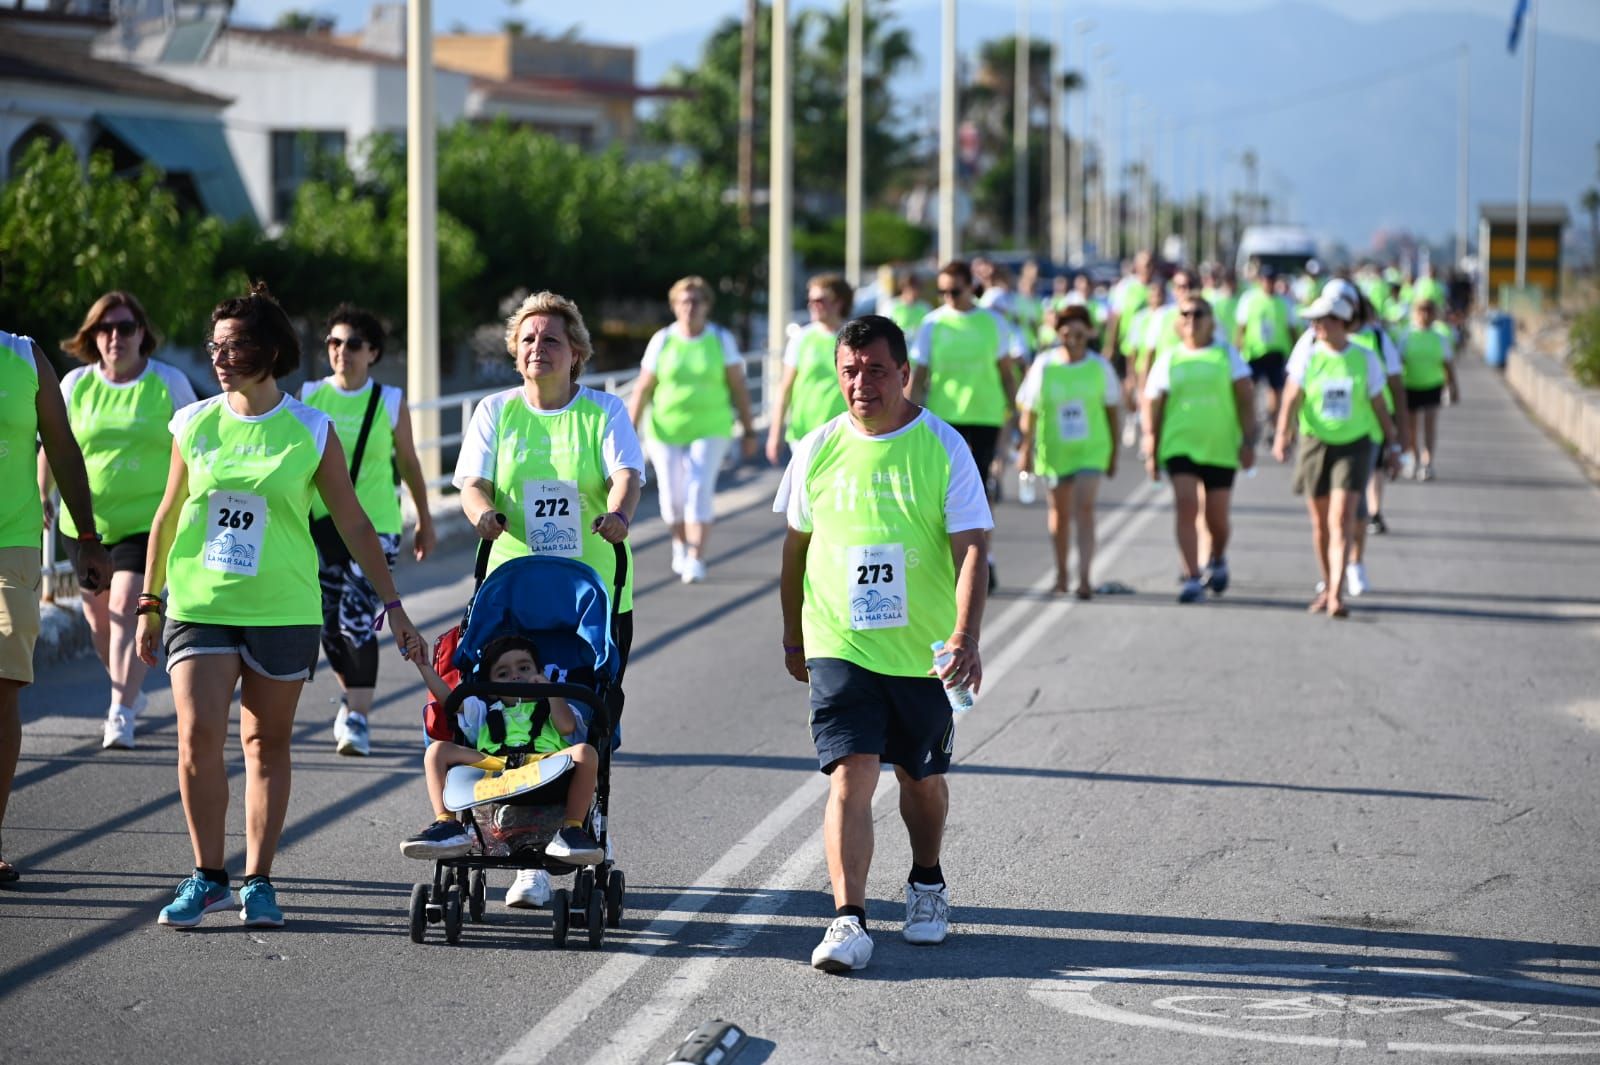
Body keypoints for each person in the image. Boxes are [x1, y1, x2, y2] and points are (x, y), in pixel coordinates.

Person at [136, 282, 423, 929]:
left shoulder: (309, 428)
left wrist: (394, 607)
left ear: (268, 350)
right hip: (202, 600)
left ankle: (258, 880)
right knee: (197, 735)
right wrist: (150, 602)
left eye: (233, 344)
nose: (219, 355)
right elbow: (167, 515)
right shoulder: (194, 423)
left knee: (265, 743)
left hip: (284, 609)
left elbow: (352, 522)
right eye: (215, 345)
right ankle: (207, 874)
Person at [776, 314, 992, 974]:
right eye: (849, 370)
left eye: (875, 369)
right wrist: (793, 632)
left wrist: (965, 634)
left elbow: (972, 548)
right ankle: (848, 919)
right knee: (850, 774)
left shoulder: (943, 446)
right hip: (839, 642)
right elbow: (796, 549)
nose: (860, 382)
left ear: (904, 372)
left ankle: (927, 880)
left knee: (920, 779)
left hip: (924, 651)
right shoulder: (816, 447)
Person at [454, 290, 642, 907]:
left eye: (552, 339)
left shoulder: (603, 411)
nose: (539, 348)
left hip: (590, 596)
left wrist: (617, 515)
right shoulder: (496, 412)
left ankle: (569, 829)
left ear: (577, 353)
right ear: (515, 351)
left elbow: (626, 474)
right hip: (515, 595)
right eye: (528, 339)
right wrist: (483, 516)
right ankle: (521, 856)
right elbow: (474, 483)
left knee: (578, 714)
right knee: (508, 720)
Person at [38, 292, 195, 750]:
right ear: (92, 337)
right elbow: (53, 441)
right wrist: (41, 492)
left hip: (148, 521)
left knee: (127, 603)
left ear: (142, 334)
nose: (115, 337)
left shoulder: (169, 382)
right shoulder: (74, 385)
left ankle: (120, 711)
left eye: (125, 328)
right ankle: (125, 689)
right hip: (84, 523)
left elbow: (195, 442)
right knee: (99, 619)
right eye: (105, 329)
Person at [300, 304, 436, 757]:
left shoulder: (389, 400)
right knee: (328, 625)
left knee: (356, 620)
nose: (341, 352)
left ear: (372, 352)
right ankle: (351, 699)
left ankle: (357, 716)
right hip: (320, 525)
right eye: (334, 344)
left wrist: (425, 519)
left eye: (353, 344)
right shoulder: (310, 394)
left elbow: (410, 463)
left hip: (376, 527)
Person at [1, 327, 111, 884]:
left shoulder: (24, 356)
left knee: (3, 685)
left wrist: (85, 537)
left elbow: (61, 445)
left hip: (9, 544)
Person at [401, 634, 603, 868]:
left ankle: (572, 830)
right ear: (492, 687)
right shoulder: (485, 710)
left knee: (586, 753)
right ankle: (447, 823)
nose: (515, 676)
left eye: (524, 668)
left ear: (540, 673)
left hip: (545, 765)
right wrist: (423, 665)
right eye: (503, 674)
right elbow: (450, 702)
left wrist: (552, 692)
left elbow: (566, 727)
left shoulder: (552, 704)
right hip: (495, 765)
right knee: (436, 751)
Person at [1270, 289, 1401, 619]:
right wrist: (1282, 435)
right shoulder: (1308, 355)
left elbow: (1379, 405)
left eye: (1324, 320)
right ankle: (1328, 585)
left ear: (1342, 322)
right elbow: (1291, 397)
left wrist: (1394, 444)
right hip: (1315, 443)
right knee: (1320, 524)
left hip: (1354, 444)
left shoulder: (1363, 357)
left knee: (1341, 518)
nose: (1317, 326)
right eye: (1314, 321)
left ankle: (1337, 595)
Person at [629, 276, 756, 584]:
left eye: (696, 301)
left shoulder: (720, 339)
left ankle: (696, 556)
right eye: (683, 301)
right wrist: (628, 432)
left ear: (707, 306)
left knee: (698, 487)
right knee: (672, 498)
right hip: (665, 427)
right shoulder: (663, 340)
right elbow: (644, 388)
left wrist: (749, 429)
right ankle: (679, 542)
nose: (690, 307)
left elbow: (737, 385)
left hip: (711, 426)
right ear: (674, 306)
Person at [908, 260, 1020, 584]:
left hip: (985, 415)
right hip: (945, 418)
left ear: (971, 287)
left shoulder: (993, 323)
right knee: (943, 492)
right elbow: (919, 377)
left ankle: (985, 558)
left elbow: (1004, 372)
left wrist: (1016, 414)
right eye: (941, 292)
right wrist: (905, 418)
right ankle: (949, 560)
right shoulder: (932, 324)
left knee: (981, 490)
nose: (948, 298)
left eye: (954, 291)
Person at [1143, 295, 1256, 603]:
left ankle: (1217, 557)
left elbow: (1246, 399)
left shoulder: (1226, 355)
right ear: (1179, 322)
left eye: (1199, 314)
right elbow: (1152, 404)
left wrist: (1249, 441)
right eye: (1185, 314)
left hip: (1220, 447)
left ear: (1211, 321)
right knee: (1186, 506)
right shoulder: (1170, 358)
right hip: (1179, 444)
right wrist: (1150, 445)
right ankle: (1192, 575)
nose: (1192, 319)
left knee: (1216, 519)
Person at [1015, 304, 1120, 598]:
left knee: (1084, 508)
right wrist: (1025, 448)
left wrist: (1112, 453)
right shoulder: (1044, 365)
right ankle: (1062, 573)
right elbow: (1030, 410)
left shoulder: (1100, 366)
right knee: (1059, 514)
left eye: (1078, 331)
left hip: (1091, 450)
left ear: (1088, 332)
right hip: (1055, 451)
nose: (1072, 338)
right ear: (1057, 333)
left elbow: (1112, 411)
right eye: (1065, 331)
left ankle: (1084, 577)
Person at [766, 274, 852, 466]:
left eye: (820, 300)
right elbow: (785, 388)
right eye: (810, 300)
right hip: (804, 433)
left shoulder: (853, 338)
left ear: (838, 302)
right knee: (805, 494)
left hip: (844, 432)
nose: (813, 305)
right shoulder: (801, 338)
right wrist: (775, 433)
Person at [1398, 298, 1459, 481]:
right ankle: (1414, 459)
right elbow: (1398, 363)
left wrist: (1453, 386)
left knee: (1430, 426)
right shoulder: (1406, 335)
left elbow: (1448, 364)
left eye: (1429, 311)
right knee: (1411, 428)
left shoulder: (1440, 337)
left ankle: (1428, 463)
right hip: (1411, 386)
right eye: (1421, 311)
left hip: (1432, 386)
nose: (1425, 315)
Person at [1236, 265, 1292, 442]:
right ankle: (1250, 424)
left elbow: (1291, 329)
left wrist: (1293, 351)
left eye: (1272, 280)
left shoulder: (1284, 302)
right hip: (1254, 353)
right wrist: (1237, 351)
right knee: (1249, 391)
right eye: (1266, 279)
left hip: (1276, 353)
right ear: (1260, 280)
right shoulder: (1249, 299)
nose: (1269, 283)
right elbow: (1241, 328)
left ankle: (1272, 423)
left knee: (1275, 392)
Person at [882, 271, 930, 336]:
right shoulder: (891, 306)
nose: (915, 291)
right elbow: (883, 329)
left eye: (917, 288)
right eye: (911, 287)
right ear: (903, 287)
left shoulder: (926, 307)